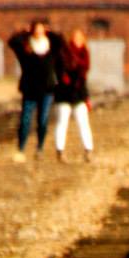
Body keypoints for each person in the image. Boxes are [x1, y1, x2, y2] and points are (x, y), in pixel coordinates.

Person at [6, 19, 60, 162]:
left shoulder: (51, 47)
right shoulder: (25, 48)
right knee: (25, 120)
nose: (38, 32)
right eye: (36, 29)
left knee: (42, 120)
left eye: (41, 29)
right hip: (29, 89)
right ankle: (21, 149)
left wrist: (50, 31)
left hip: (47, 89)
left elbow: (60, 40)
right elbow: (12, 42)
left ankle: (39, 148)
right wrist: (24, 31)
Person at [52, 28, 93, 163]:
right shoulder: (63, 55)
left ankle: (88, 150)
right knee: (62, 122)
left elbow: (83, 78)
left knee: (83, 122)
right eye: (75, 38)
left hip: (79, 94)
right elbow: (60, 71)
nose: (77, 40)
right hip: (64, 93)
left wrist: (86, 97)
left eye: (79, 38)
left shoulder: (84, 55)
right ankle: (60, 151)